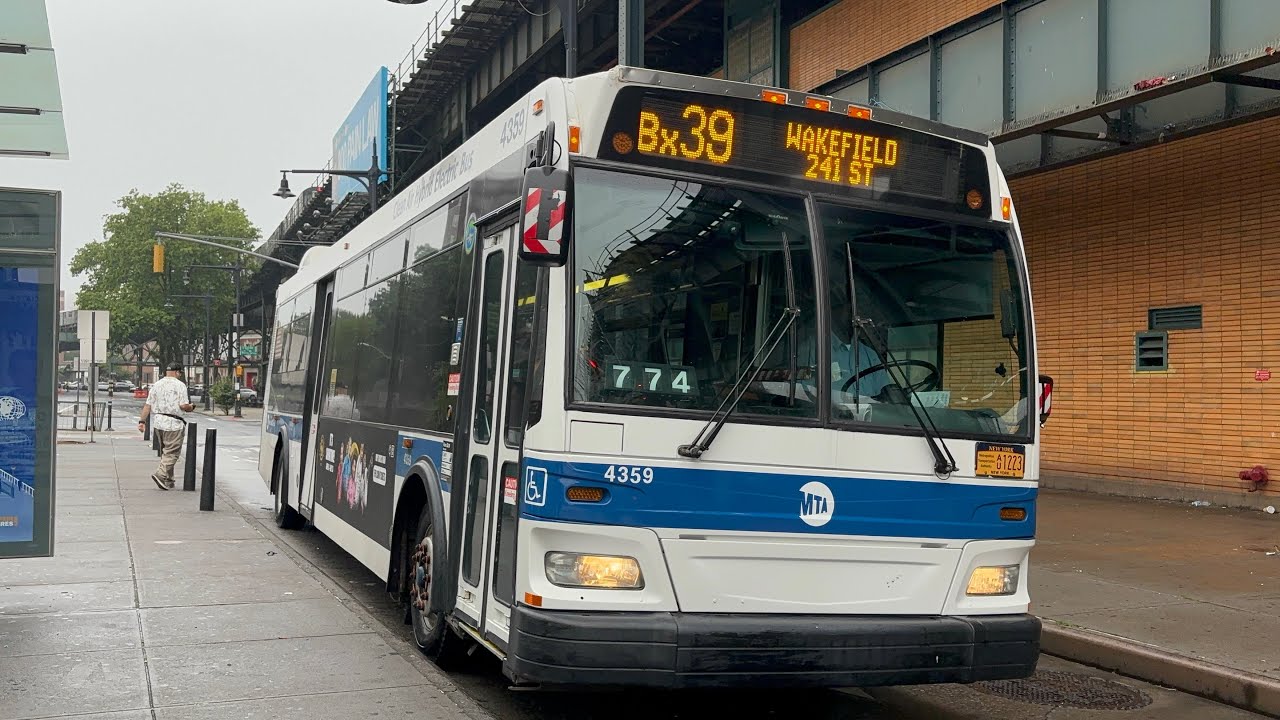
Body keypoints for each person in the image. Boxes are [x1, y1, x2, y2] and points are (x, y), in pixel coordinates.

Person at [138, 362, 194, 490]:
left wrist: (142, 422)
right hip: (174, 423)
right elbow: (183, 406)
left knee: (165, 452)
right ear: (177, 372)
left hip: (158, 422)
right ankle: (161, 474)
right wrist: (191, 407)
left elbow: (148, 405)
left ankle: (169, 480)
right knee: (172, 452)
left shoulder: (156, 385)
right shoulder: (180, 385)